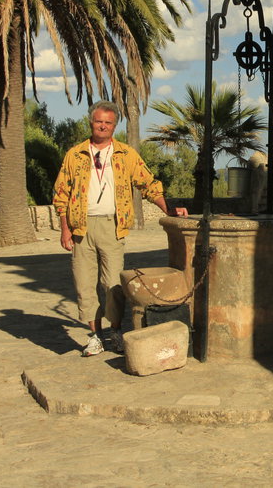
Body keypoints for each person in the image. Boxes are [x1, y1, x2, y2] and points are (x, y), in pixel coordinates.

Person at [52, 101, 187, 356]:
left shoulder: (125, 154)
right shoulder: (75, 154)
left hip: (112, 226)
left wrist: (167, 209)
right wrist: (65, 229)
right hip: (81, 227)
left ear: (114, 126)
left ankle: (114, 331)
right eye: (98, 121)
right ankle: (95, 336)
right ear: (91, 122)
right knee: (84, 283)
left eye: (108, 123)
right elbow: (61, 193)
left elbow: (148, 184)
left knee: (113, 284)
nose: (102, 126)